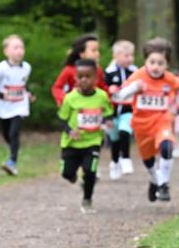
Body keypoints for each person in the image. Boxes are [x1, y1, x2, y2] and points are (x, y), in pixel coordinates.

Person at [112, 38, 179, 202]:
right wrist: (135, 88)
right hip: (142, 125)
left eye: (161, 63)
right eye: (152, 62)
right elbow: (120, 95)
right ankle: (155, 180)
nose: (156, 67)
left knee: (167, 147)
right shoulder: (138, 76)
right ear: (146, 62)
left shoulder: (169, 79)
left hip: (162, 121)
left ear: (167, 64)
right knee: (148, 160)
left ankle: (164, 184)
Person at [57, 59, 113, 213]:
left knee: (90, 171)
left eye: (88, 76)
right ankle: (73, 177)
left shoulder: (102, 96)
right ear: (75, 78)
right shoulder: (70, 98)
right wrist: (70, 131)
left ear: (96, 78)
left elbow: (108, 112)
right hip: (72, 143)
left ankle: (87, 199)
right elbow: (61, 120)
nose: (84, 80)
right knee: (67, 173)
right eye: (80, 76)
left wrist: (108, 121)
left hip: (93, 141)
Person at [0, 34, 35, 175]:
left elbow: (23, 84)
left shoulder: (27, 67)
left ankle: (12, 162)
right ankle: (13, 150)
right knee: (7, 134)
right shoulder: (0, 68)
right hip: (3, 106)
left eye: (21, 47)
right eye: (15, 47)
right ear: (6, 51)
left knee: (14, 133)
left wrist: (29, 94)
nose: (19, 51)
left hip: (20, 105)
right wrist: (2, 95)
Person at [104, 40, 137, 179]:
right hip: (112, 111)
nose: (130, 58)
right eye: (126, 55)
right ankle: (115, 162)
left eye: (131, 55)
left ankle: (126, 159)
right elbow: (102, 90)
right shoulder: (109, 72)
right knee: (115, 139)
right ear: (116, 56)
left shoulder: (135, 72)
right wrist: (109, 89)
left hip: (127, 110)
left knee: (125, 131)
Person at [51, 34, 107, 106]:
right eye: (94, 50)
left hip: (95, 109)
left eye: (98, 50)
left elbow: (103, 89)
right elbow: (57, 88)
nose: (98, 53)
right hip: (76, 109)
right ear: (81, 53)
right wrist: (66, 100)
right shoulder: (69, 70)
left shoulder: (98, 70)